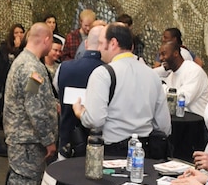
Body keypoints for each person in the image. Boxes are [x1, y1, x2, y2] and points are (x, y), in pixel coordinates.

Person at [73, 22, 170, 156]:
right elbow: (164, 126)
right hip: (145, 153)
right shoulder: (152, 75)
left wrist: (80, 113)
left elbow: (95, 120)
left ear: (113, 43)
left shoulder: (102, 74)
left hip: (112, 152)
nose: (99, 49)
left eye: (101, 43)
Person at [4, 22, 58, 185]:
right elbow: (33, 107)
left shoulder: (28, 62)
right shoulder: (30, 68)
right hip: (27, 140)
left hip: (26, 138)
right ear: (45, 39)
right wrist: (48, 139)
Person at [55, 20, 104, 155]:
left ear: (86, 44)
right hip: (99, 146)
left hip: (67, 142)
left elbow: (58, 90)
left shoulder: (63, 67)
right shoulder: (109, 71)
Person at [155, 29, 208, 114]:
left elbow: (182, 100)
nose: (161, 58)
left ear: (176, 53)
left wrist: (161, 86)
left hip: (197, 123)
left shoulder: (193, 71)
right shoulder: (171, 76)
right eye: (160, 55)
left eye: (164, 54)